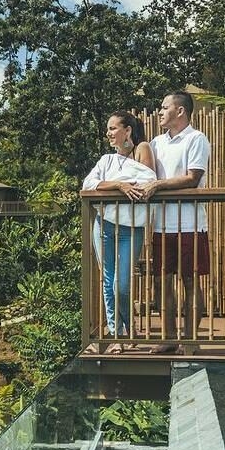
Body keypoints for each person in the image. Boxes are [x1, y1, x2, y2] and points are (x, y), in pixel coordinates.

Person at [139, 91, 211, 353]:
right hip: (161, 225)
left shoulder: (196, 139)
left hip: (190, 224)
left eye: (164, 107)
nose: (159, 111)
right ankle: (168, 338)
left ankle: (191, 340)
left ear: (180, 111)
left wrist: (157, 184)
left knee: (190, 281)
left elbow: (192, 177)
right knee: (161, 281)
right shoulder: (156, 143)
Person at [82, 110, 156, 353]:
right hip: (103, 225)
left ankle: (129, 329)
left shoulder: (142, 150)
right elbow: (88, 185)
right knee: (108, 281)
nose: (108, 133)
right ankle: (117, 334)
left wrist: (111, 185)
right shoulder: (106, 161)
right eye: (108, 129)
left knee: (121, 285)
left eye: (113, 128)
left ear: (127, 130)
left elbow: (146, 180)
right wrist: (119, 185)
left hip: (130, 228)